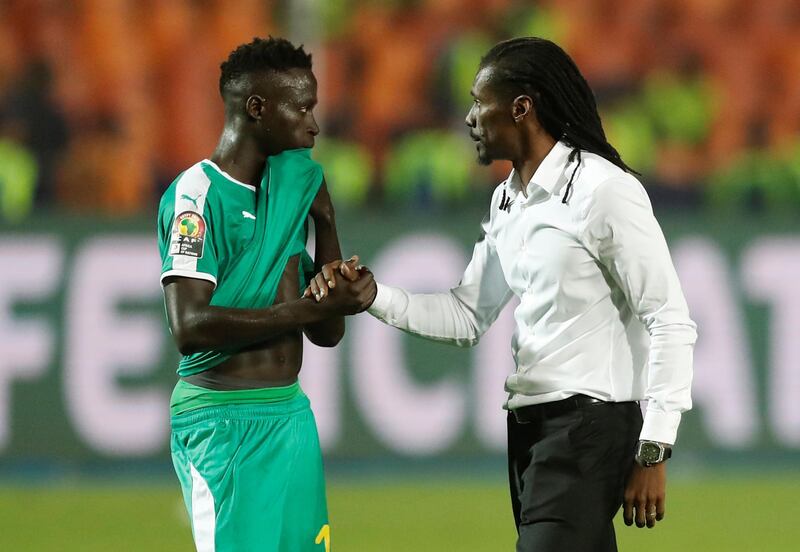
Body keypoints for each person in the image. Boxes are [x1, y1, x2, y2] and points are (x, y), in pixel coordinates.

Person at [307, 37, 696, 551]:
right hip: (530, 431)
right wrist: (374, 295)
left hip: (589, 426)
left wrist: (655, 449)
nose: (468, 117)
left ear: (521, 107)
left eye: (477, 101)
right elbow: (467, 313)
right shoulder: (509, 197)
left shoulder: (603, 191)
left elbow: (669, 319)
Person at [157, 37, 375, 551]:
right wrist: (300, 308)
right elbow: (189, 327)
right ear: (257, 108)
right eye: (302, 108)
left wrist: (326, 223)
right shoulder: (196, 196)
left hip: (290, 416)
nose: (314, 125)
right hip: (221, 423)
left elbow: (327, 332)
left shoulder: (294, 189)